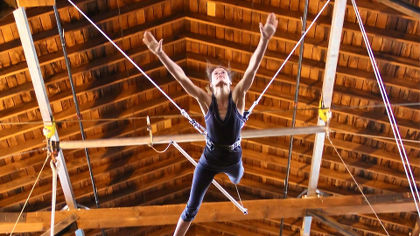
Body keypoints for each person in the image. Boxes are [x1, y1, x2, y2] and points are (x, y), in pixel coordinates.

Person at [143, 13, 278, 236]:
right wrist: (161, 54)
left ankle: (236, 174)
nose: (219, 73)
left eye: (223, 72)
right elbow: (182, 79)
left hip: (234, 158)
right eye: (216, 73)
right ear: (210, 84)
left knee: (237, 177)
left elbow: (252, 69)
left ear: (230, 81)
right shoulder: (206, 101)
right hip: (209, 160)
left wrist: (264, 40)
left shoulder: (239, 95)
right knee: (191, 207)